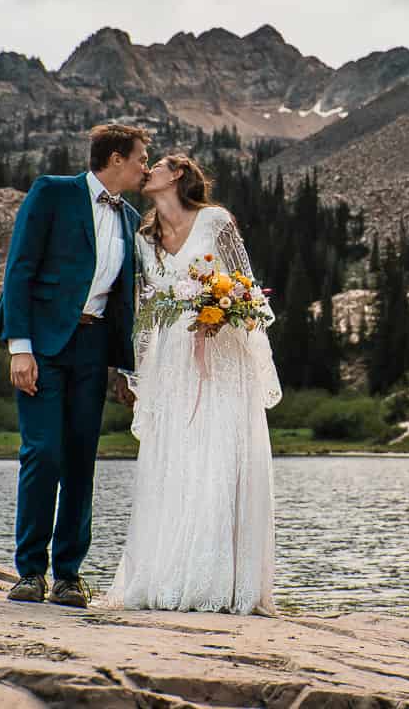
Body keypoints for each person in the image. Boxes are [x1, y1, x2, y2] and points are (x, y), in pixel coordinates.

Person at [105, 153, 281, 614]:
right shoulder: (145, 238)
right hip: (171, 360)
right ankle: (169, 576)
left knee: (220, 455)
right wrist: (135, 369)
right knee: (175, 459)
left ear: (178, 174)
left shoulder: (215, 221)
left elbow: (247, 288)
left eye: (156, 166)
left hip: (222, 356)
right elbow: (146, 306)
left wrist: (223, 312)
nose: (147, 173)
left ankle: (223, 583)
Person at [0, 123, 147, 608]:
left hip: (93, 348)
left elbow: (122, 302)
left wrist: (123, 367)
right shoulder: (52, 193)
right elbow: (21, 267)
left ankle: (69, 577)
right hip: (43, 345)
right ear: (115, 158)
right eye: (141, 158)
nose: (145, 167)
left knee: (81, 460)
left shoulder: (130, 217)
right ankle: (30, 571)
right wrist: (20, 346)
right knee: (43, 453)